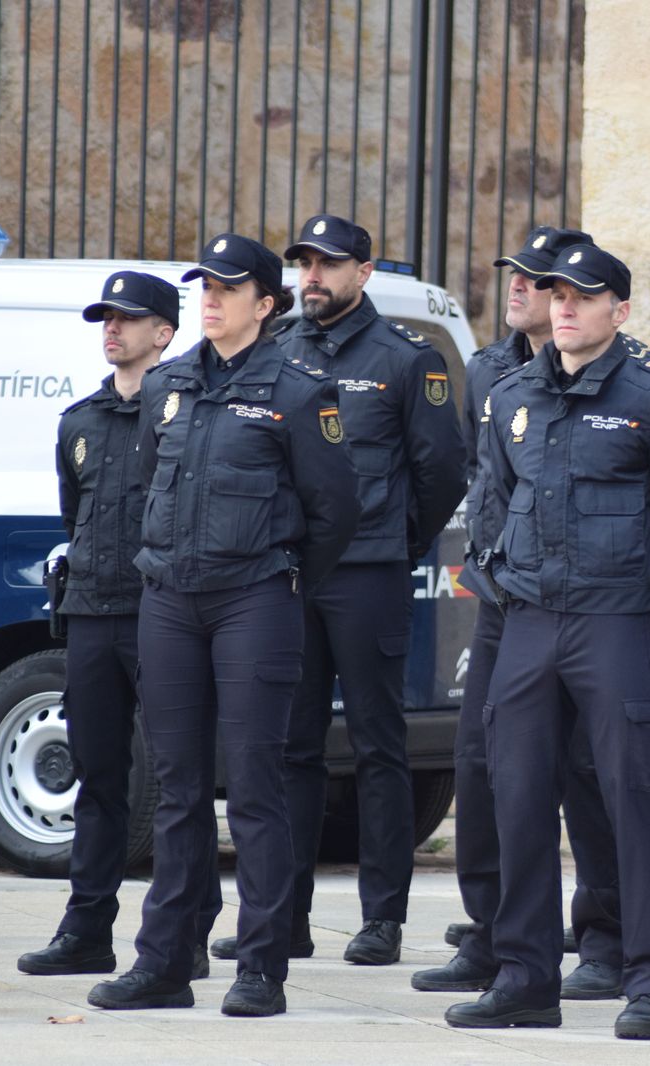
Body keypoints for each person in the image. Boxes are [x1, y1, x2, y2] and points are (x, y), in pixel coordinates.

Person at [444, 244, 650, 1040]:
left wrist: (638, 618)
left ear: (619, 312)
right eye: (555, 293)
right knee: (516, 798)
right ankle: (525, 977)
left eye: (582, 296)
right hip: (527, 623)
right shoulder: (513, 393)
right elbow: (490, 503)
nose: (562, 306)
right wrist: (509, 582)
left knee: (630, 800)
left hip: (614, 622)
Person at [87, 234, 359, 1017]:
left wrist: (283, 573)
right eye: (204, 285)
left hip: (255, 598)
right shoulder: (170, 383)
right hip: (170, 598)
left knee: (254, 785)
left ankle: (261, 965)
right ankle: (166, 960)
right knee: (174, 788)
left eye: (228, 288)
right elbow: (148, 483)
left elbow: (333, 511)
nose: (210, 298)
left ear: (265, 305)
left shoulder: (302, 390)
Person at [209, 214, 462, 969]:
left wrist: (392, 544)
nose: (311, 277)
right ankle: (282, 915)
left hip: (367, 574)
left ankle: (381, 918)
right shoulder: (281, 348)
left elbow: (442, 471)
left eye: (327, 265)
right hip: (290, 573)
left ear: (364, 270)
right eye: (304, 265)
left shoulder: (405, 359)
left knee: (381, 747)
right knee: (291, 746)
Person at [414, 225, 650, 999]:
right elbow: (483, 489)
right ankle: (498, 941)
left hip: (602, 607)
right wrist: (495, 575)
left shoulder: (643, 385)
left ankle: (610, 937)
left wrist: (631, 607)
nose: (530, 291)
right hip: (512, 600)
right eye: (525, 279)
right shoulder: (492, 374)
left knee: (593, 772)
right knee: (492, 769)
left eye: (545, 280)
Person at [17, 272, 221, 980]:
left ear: (164, 333)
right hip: (94, 615)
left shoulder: (185, 414)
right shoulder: (79, 420)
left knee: (177, 777)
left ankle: (187, 930)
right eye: (106, 317)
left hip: (164, 612)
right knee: (98, 775)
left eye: (129, 318)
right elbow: (77, 517)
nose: (113, 328)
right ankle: (87, 929)